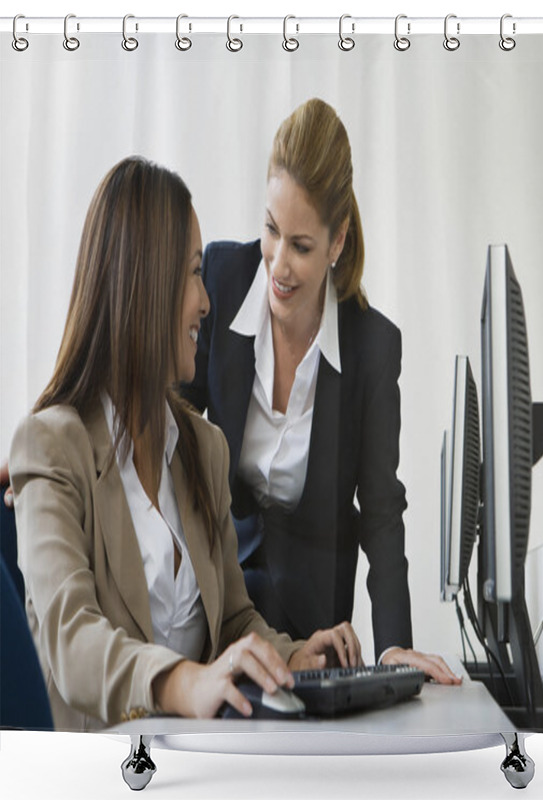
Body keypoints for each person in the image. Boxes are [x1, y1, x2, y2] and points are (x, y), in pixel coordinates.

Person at [8, 156, 362, 731]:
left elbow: (233, 621)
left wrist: (295, 657)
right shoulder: (52, 447)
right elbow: (71, 641)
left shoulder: (202, 448)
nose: (206, 301)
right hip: (99, 772)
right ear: (144, 285)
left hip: (198, 766)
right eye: (193, 274)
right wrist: (183, 681)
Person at [182, 98, 458, 684]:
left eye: (301, 246)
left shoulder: (371, 348)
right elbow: (169, 423)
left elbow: (382, 512)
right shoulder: (222, 282)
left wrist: (394, 649)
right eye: (270, 230)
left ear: (336, 244)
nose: (277, 265)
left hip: (315, 635)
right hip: (217, 613)